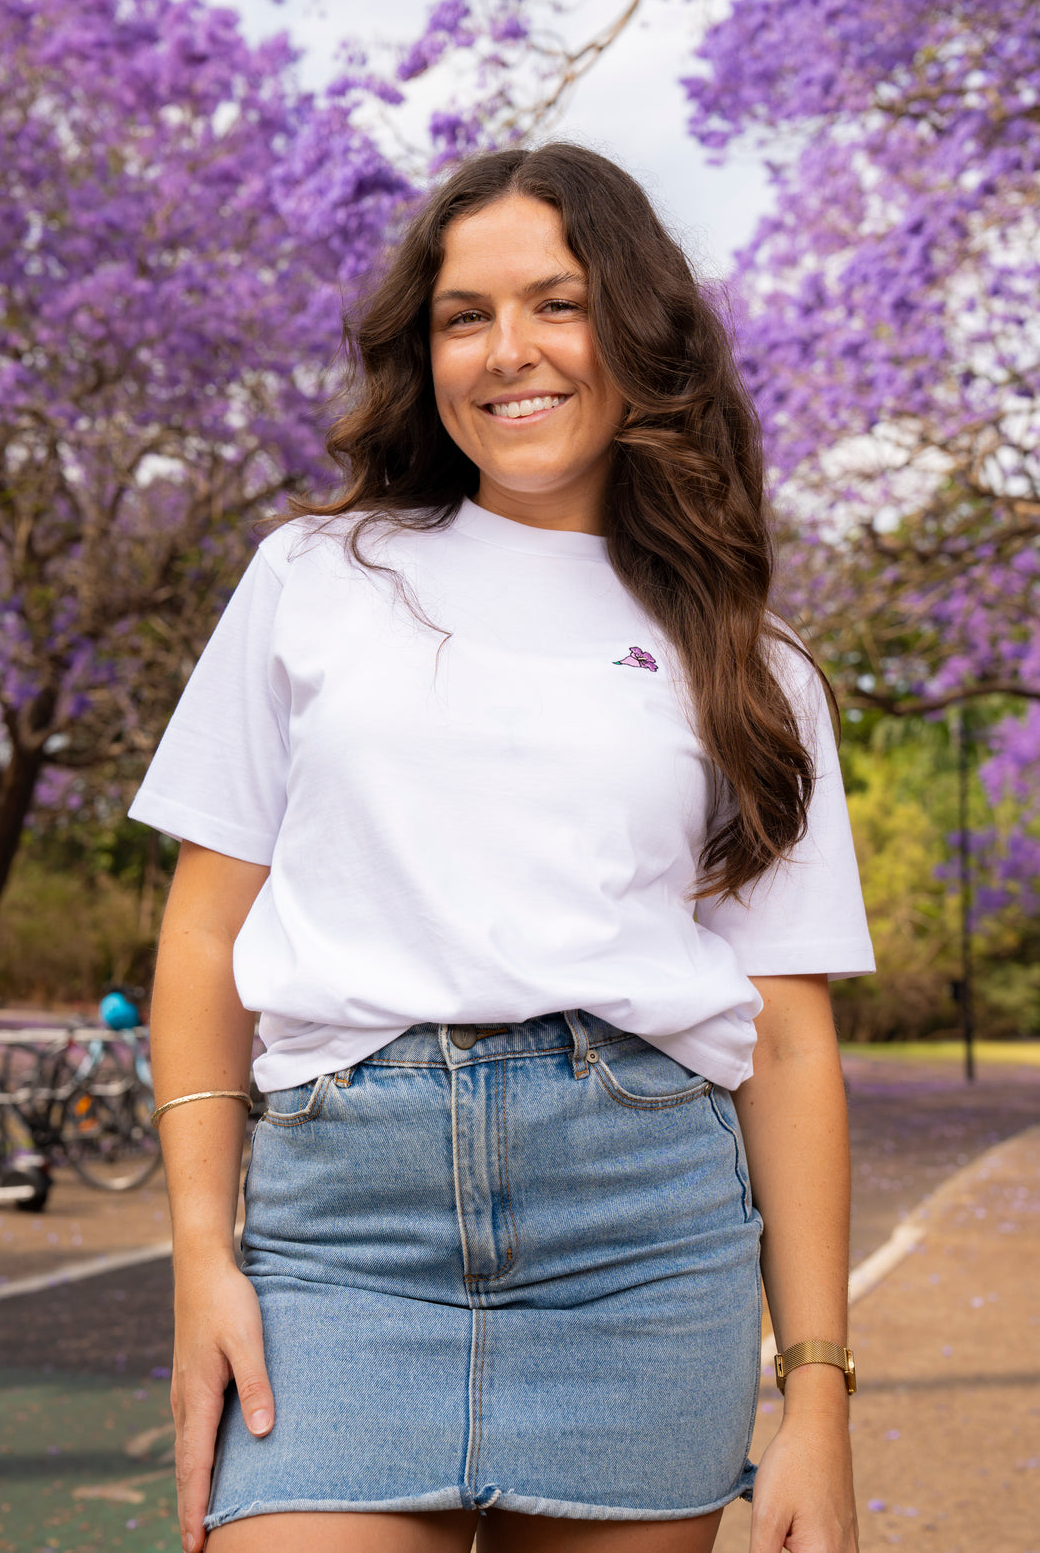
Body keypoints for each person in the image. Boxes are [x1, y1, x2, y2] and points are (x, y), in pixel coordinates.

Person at [130, 142, 874, 1553]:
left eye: (557, 302)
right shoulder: (314, 577)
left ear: (638, 330)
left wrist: (818, 1399)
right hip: (343, 1246)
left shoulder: (755, 667)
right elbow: (201, 938)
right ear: (428, 353)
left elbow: (786, 1036)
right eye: (465, 315)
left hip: (643, 1245)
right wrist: (200, 1257)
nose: (507, 350)